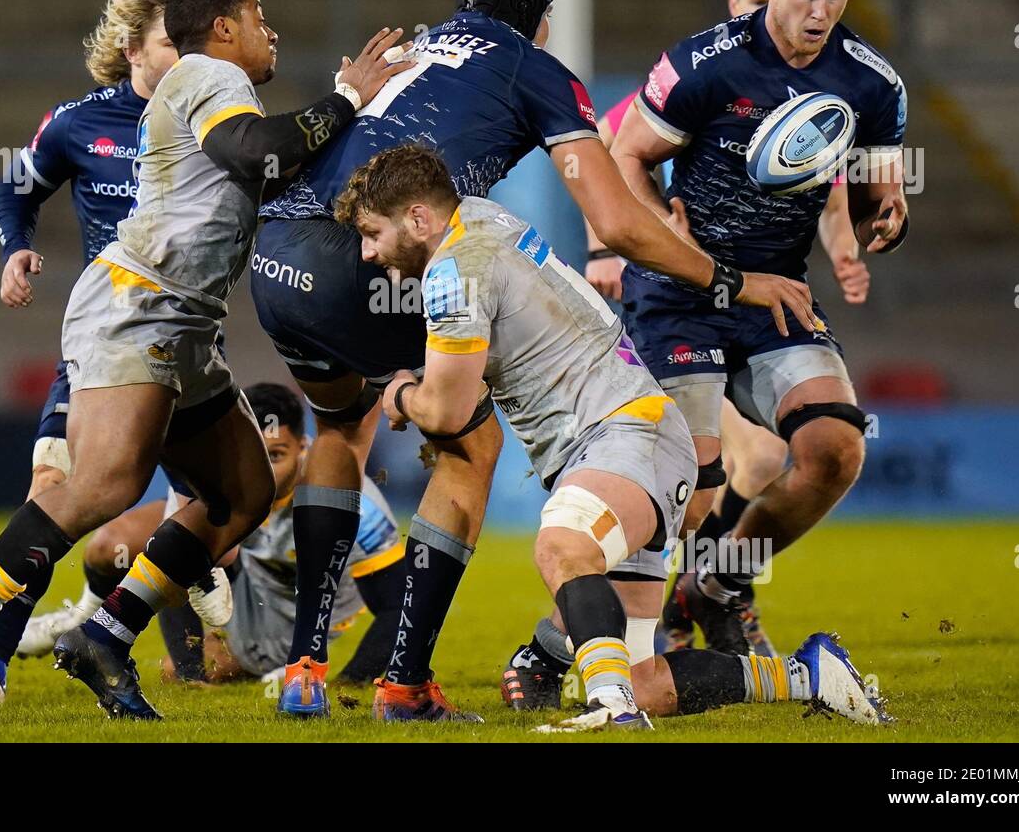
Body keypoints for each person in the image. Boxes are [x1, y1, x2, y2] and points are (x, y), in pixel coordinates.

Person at [252, 0, 816, 720]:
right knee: (467, 442)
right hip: (367, 253)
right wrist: (730, 279)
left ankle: (304, 665)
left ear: (462, 2)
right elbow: (616, 222)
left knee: (337, 430)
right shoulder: (532, 69)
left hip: (276, 258)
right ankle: (406, 682)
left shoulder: (415, 49)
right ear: (541, 22)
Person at [0, 0, 410, 722]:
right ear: (219, 31)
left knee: (240, 491)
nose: (271, 31)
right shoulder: (207, 75)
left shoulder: (214, 88)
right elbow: (255, 152)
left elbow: (270, 160)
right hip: (136, 304)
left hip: (184, 324)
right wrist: (345, 96)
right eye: (258, 17)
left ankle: (105, 634)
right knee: (103, 484)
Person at [340, 144, 888, 729]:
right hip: (645, 438)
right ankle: (810, 674)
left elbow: (447, 415)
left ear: (419, 219)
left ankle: (610, 708)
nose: (369, 252)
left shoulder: (454, 270)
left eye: (372, 233)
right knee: (645, 678)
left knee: (561, 547)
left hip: (620, 437)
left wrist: (397, 393)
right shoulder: (480, 216)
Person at [607, 0, 908, 657]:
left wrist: (890, 214)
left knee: (836, 448)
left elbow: (878, 190)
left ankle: (715, 586)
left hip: (774, 293)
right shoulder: (705, 64)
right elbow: (627, 155)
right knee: (691, 487)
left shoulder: (871, 85)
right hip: (680, 294)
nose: (821, 12)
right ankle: (554, 643)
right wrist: (662, 229)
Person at [0, 0, 181, 709]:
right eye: (170, 40)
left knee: (222, 500)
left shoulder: (210, 120)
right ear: (133, 49)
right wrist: (14, 248)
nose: (185, 55)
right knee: (51, 491)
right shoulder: (79, 124)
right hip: (98, 348)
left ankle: (148, 633)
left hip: (186, 345)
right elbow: (14, 188)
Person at [73, 383, 407, 687]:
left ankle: (223, 654)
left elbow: (397, 604)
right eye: (256, 455)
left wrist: (349, 682)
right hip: (246, 572)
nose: (265, 471)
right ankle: (88, 614)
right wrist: (192, 675)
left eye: (275, 455)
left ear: (303, 446)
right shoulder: (237, 476)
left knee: (183, 667)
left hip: (283, 615)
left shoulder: (350, 502)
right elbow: (175, 555)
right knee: (110, 545)